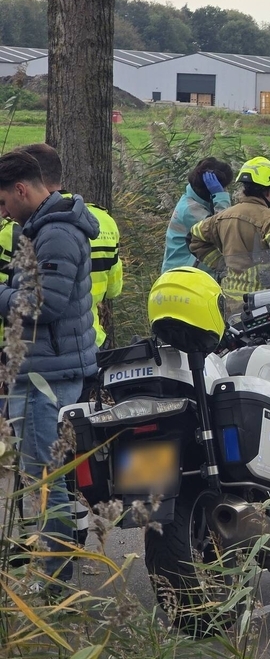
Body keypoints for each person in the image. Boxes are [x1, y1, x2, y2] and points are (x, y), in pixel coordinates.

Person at [0, 151, 99, 586]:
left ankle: (54, 577)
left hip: (48, 376)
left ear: (22, 190)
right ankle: (53, 563)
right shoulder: (38, 229)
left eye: (3, 202)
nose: (2, 213)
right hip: (42, 368)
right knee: (42, 474)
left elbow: (44, 304)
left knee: (43, 478)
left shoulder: (56, 233)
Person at [18, 143, 123, 351]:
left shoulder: (23, 227)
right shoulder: (103, 220)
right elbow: (114, 289)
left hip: (44, 351)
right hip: (93, 341)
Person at [188, 157, 270, 310]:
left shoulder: (222, 217)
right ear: (268, 191)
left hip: (229, 301)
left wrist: (221, 264)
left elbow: (193, 238)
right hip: (261, 302)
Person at [162, 157, 234, 274]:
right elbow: (223, 231)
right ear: (210, 191)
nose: (225, 191)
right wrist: (220, 196)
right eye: (224, 188)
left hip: (188, 272)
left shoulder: (195, 201)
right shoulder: (191, 210)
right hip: (183, 277)